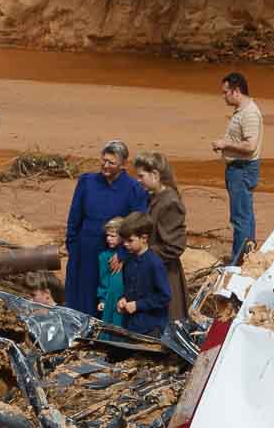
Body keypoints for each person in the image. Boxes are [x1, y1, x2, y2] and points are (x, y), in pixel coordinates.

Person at [63, 140, 148, 315]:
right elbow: (74, 216)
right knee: (80, 299)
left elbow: (138, 223)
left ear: (123, 165)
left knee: (107, 301)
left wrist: (123, 254)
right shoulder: (87, 182)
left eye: (111, 162)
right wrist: (72, 245)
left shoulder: (134, 189)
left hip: (113, 256)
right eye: (104, 160)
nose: (105, 165)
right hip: (84, 251)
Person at [209, 72, 263, 265]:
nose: (223, 96)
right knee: (245, 214)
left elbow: (250, 146)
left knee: (240, 217)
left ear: (236, 91)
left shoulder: (249, 114)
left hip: (242, 168)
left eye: (225, 93)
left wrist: (224, 145)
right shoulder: (243, 111)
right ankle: (247, 255)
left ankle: (239, 260)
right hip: (239, 168)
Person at [130, 150, 188, 321]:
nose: (138, 180)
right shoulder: (153, 198)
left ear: (155, 174)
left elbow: (174, 247)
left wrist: (144, 253)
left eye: (141, 176)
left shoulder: (169, 203)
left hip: (165, 276)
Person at [114, 215, 172, 337]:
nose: (125, 244)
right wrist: (123, 299)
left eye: (130, 241)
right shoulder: (129, 260)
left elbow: (164, 296)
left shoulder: (155, 264)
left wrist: (138, 305)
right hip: (131, 324)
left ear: (144, 238)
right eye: (123, 240)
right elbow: (128, 287)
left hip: (151, 327)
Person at [96, 216, 128, 326]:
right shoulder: (104, 256)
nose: (108, 239)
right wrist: (102, 299)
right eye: (107, 235)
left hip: (125, 297)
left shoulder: (129, 255)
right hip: (111, 298)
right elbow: (103, 279)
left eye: (113, 236)